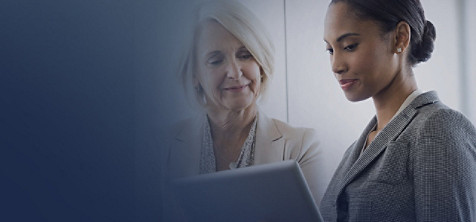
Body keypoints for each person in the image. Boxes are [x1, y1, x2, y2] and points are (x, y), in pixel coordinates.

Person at [161, 1, 326, 220]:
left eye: (245, 54)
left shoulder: (301, 146)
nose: (235, 72)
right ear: (194, 75)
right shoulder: (163, 147)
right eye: (216, 60)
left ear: (261, 62)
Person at [320, 0, 476, 221]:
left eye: (349, 46)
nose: (336, 65)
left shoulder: (438, 127)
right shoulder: (355, 151)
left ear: (400, 37)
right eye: (330, 49)